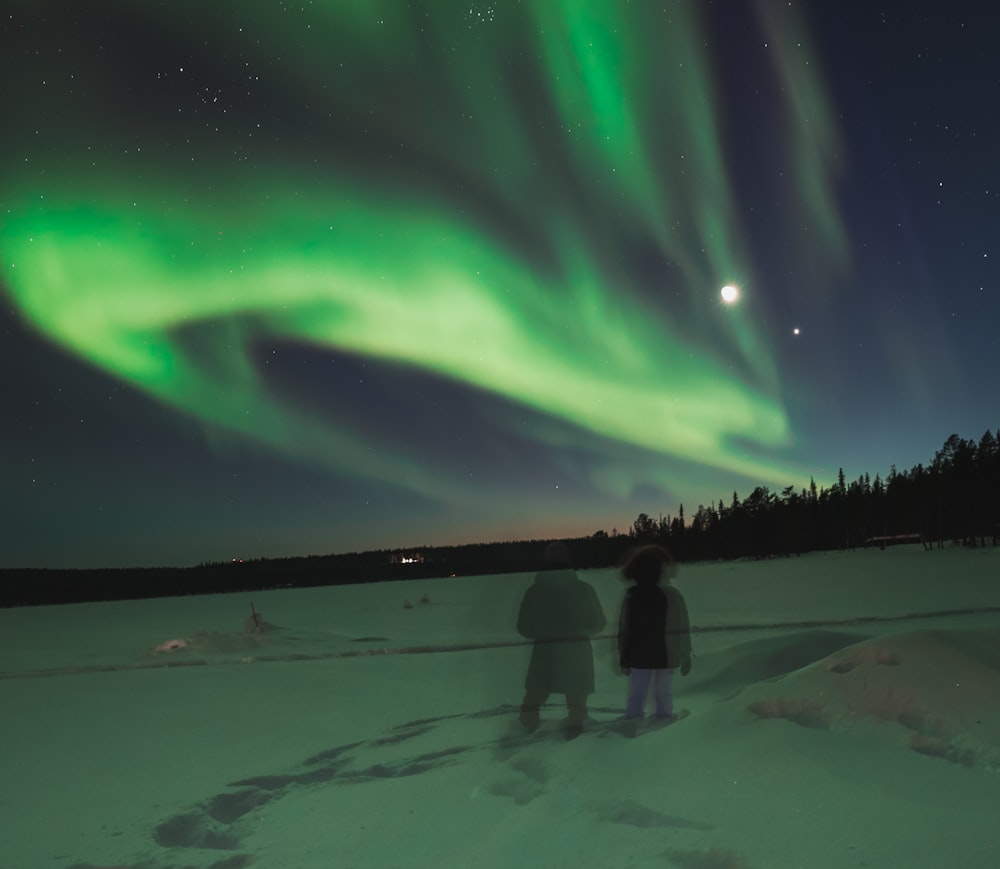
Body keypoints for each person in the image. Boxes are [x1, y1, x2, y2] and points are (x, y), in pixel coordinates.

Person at [516, 541, 607, 737]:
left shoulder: (535, 592)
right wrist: (577, 632)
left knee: (534, 696)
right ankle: (575, 735)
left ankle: (524, 734)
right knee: (577, 699)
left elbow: (523, 627)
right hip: (576, 651)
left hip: (544, 652)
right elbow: (599, 623)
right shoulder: (584, 589)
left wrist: (545, 633)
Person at [617, 545, 692, 722]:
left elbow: (625, 629)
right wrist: (685, 653)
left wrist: (624, 655)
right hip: (662, 655)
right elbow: (682, 625)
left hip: (639, 655)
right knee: (661, 694)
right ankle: (661, 724)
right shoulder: (671, 594)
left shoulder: (633, 595)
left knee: (638, 695)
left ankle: (634, 724)